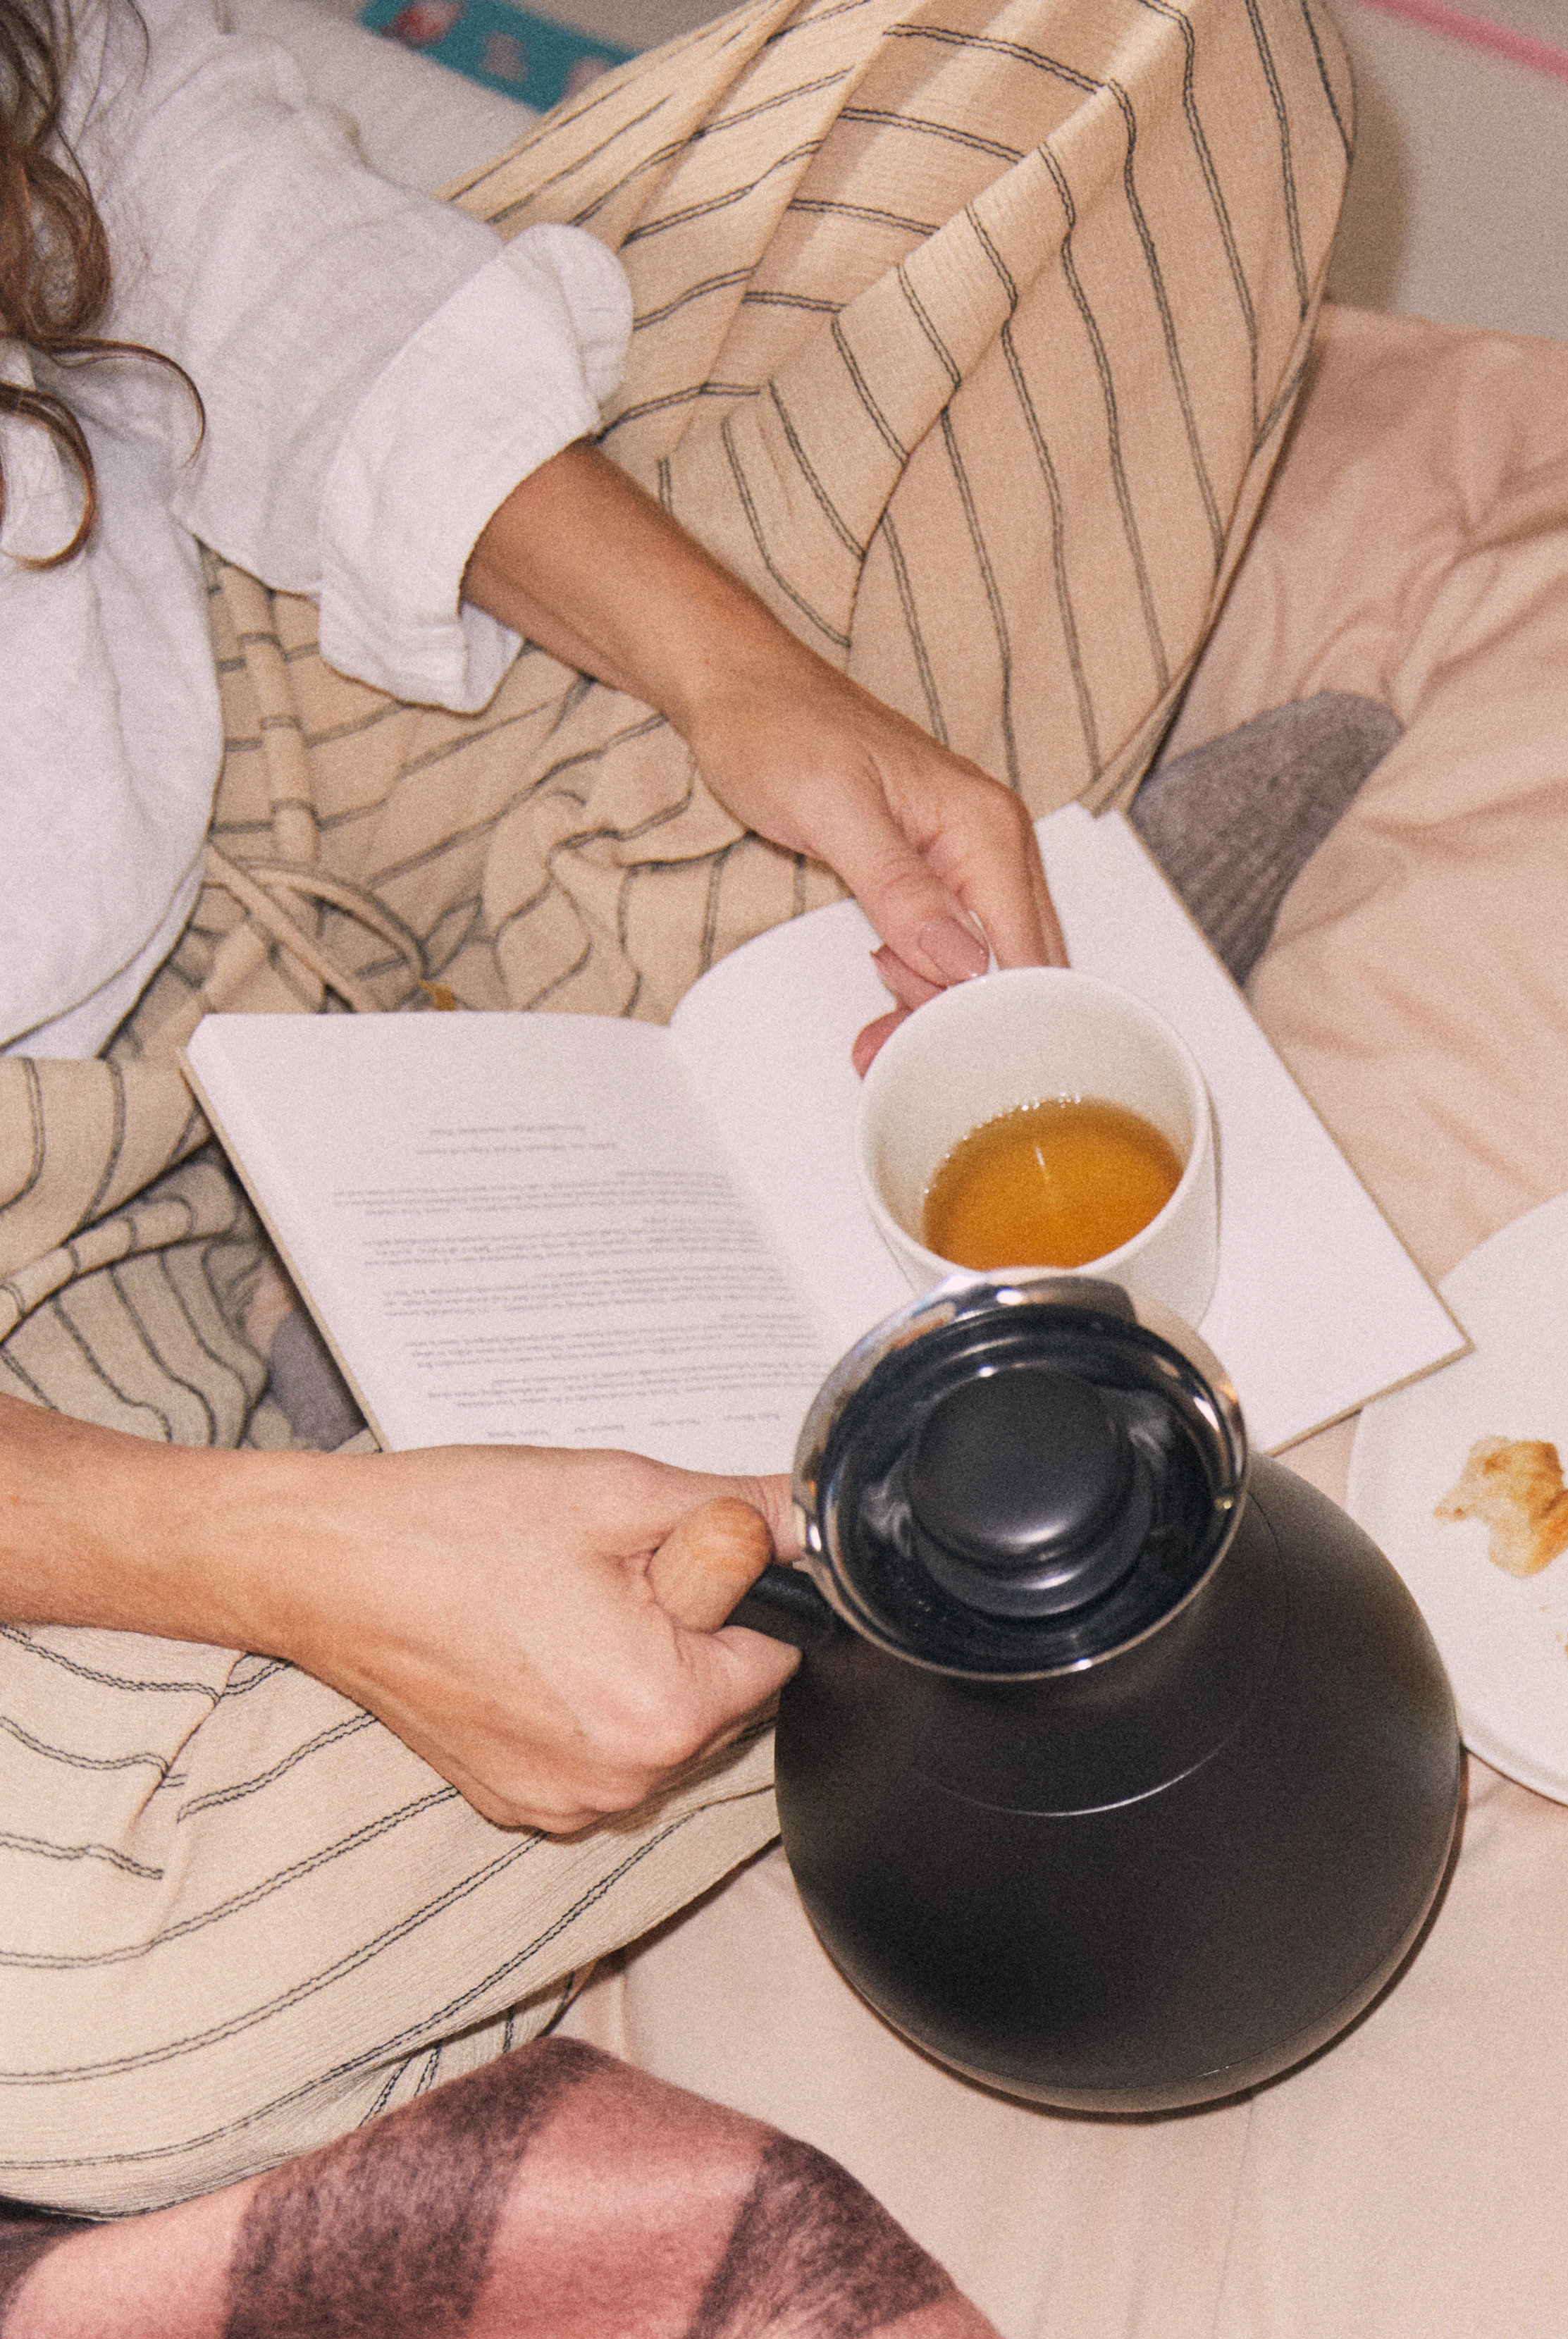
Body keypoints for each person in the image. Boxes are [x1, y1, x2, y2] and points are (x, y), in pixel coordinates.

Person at [0, 0, 1350, 2215]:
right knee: (74, 2016)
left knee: (1168, 56)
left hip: (223, 652)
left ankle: (581, 1260)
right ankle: (925, 1508)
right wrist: (277, 1563)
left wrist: (747, 681)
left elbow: (133, 158)